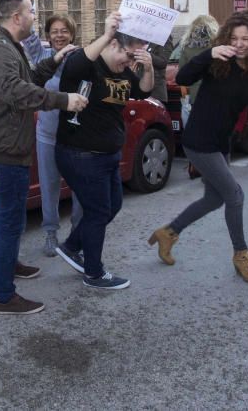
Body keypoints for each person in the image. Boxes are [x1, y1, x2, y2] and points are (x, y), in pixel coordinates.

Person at [0, 0, 87, 315]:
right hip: (0, 153)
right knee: (8, 222)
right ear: (17, 17)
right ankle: (4, 296)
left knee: (14, 219)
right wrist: (64, 100)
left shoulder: (9, 47)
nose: (35, 16)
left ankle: (11, 264)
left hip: (5, 150)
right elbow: (17, 92)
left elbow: (30, 77)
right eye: (31, 11)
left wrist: (55, 61)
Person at [148, 10, 248, 286]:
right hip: (199, 140)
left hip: (220, 141)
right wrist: (210, 54)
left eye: (246, 39)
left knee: (214, 199)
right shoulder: (218, 61)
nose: (240, 43)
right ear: (227, 38)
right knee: (235, 195)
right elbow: (182, 79)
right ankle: (241, 255)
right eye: (235, 38)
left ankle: (168, 233)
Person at [54, 15, 153, 290]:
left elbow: (142, 92)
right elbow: (74, 64)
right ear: (112, 45)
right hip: (81, 154)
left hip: (107, 154)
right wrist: (108, 33)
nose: (127, 63)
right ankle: (94, 273)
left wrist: (147, 68)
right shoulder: (85, 65)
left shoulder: (122, 70)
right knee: (98, 211)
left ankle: (72, 246)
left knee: (113, 205)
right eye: (126, 54)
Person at [20, 12, 82, 258]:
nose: (59, 35)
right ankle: (50, 234)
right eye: (54, 31)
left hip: (77, 137)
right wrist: (29, 1)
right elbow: (29, 37)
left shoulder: (80, 57)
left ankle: (78, 233)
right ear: (48, 35)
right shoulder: (42, 56)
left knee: (80, 187)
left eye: (64, 31)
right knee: (49, 186)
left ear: (72, 33)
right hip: (47, 134)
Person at [175, 15, 219, 179]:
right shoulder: (216, 46)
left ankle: (195, 165)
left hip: (192, 97)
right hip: (212, 96)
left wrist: (185, 97)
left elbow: (181, 74)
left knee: (193, 134)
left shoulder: (186, 46)